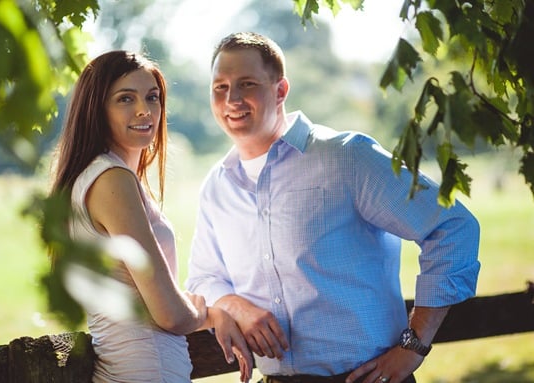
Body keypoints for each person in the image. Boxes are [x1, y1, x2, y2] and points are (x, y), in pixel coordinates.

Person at [185, 32, 481, 383]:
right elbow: (203, 278)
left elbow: (452, 227)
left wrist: (413, 346)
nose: (231, 99)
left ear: (280, 91)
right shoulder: (217, 187)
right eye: (220, 87)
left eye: (246, 84)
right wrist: (234, 305)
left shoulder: (346, 157)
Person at [49, 50, 253, 383]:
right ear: (96, 109)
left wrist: (203, 311)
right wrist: (212, 312)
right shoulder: (111, 179)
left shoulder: (99, 177)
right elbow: (170, 315)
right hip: (144, 371)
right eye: (125, 98)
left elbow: (148, 298)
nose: (145, 109)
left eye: (152, 97)